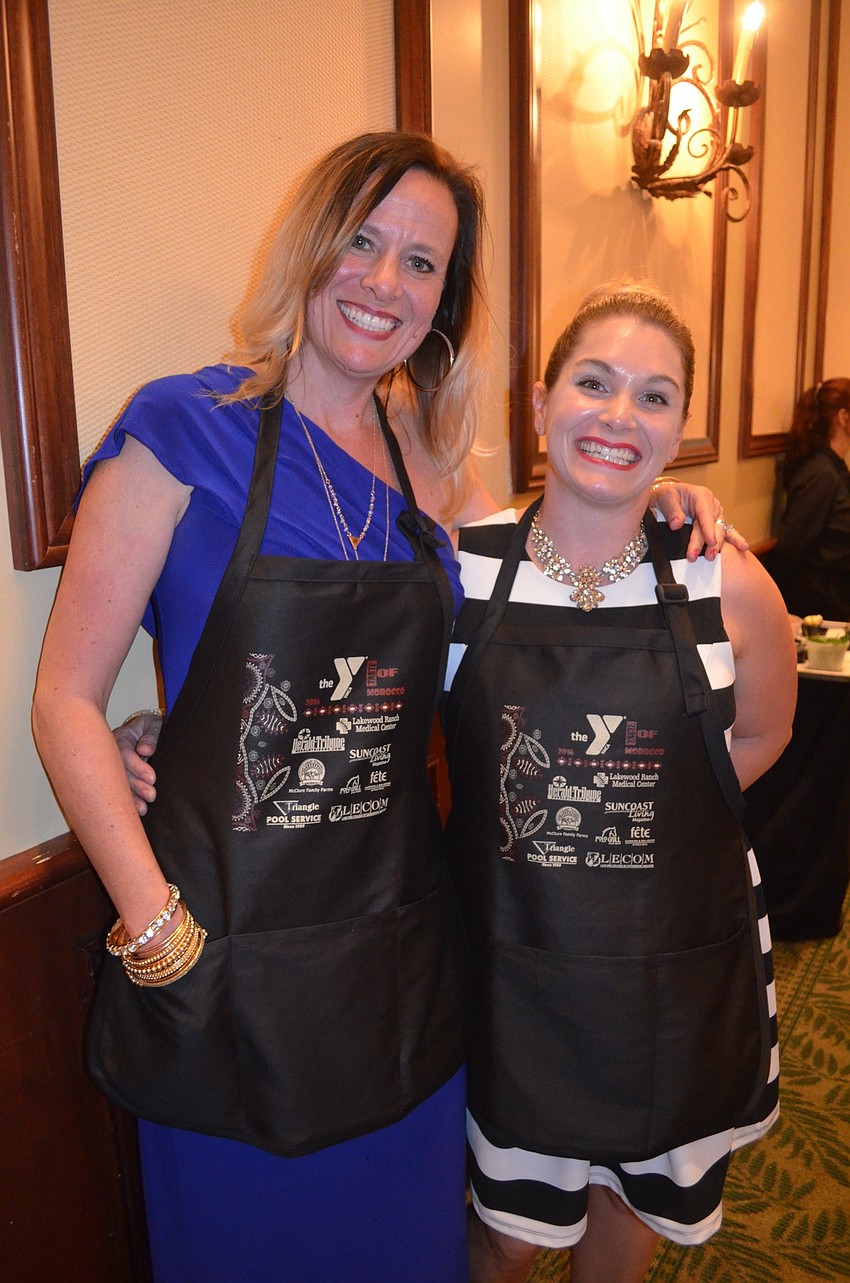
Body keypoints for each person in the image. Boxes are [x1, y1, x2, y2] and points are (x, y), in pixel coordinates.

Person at [34, 130, 738, 1283]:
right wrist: (157, 930)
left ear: (442, 302)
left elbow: (542, 571)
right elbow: (63, 696)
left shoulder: (425, 457)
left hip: (398, 950)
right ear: (310, 244)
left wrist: (649, 488)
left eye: (422, 263)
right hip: (221, 944)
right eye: (362, 239)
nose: (384, 280)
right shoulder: (180, 427)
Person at [441, 283, 797, 1283]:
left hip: (670, 967)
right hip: (514, 966)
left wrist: (637, 823)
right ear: (541, 398)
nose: (617, 414)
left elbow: (764, 732)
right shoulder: (466, 571)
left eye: (654, 396)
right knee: (506, 1231)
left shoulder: (722, 579)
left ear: (680, 430)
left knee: (627, 1203)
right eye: (593, 382)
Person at [766, 378, 850, 622]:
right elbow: (790, 549)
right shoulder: (821, 474)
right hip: (822, 608)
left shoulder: (833, 468)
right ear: (843, 418)